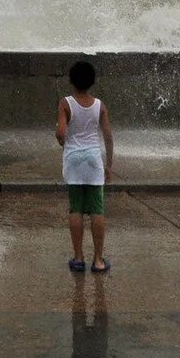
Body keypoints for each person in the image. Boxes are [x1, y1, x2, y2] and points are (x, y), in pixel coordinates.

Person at [56, 60, 114, 273]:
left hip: (73, 160)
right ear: (92, 82)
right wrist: (108, 165)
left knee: (76, 209)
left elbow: (61, 133)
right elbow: (107, 136)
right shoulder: (100, 105)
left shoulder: (65, 103)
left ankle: (78, 258)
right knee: (97, 209)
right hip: (93, 160)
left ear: (71, 80)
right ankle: (98, 260)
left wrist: (64, 142)